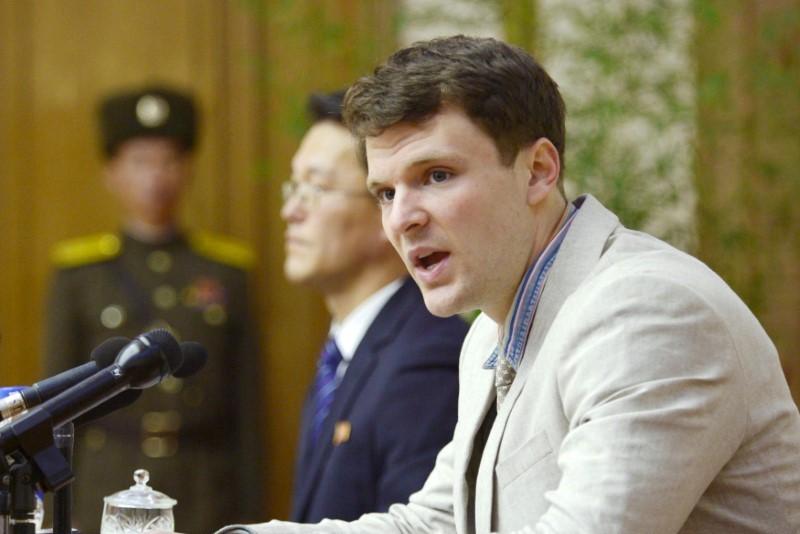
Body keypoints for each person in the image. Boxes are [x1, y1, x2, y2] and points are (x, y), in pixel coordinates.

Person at [216, 35, 800, 534]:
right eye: (386, 192)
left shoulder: (646, 312)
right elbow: (436, 523)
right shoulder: (492, 330)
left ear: (539, 171)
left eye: (436, 175)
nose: (401, 218)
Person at [43, 84, 264, 533]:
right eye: (140, 162)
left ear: (187, 169)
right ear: (111, 172)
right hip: (104, 481)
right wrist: (61, 505)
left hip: (205, 484)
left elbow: (248, 409)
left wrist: (250, 511)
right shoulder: (79, 276)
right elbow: (57, 408)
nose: (156, 177)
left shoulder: (227, 273)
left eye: (169, 160)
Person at [280, 90, 467, 522]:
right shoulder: (347, 350)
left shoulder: (425, 359)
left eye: (317, 188)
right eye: (294, 186)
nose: (291, 210)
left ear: (388, 207)